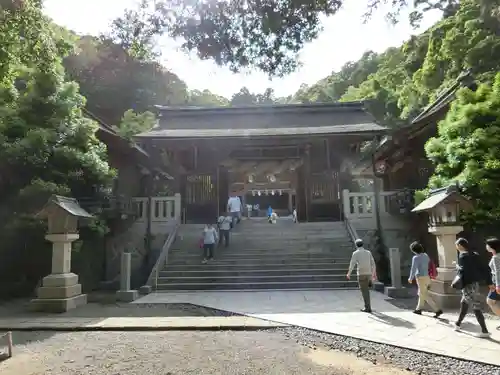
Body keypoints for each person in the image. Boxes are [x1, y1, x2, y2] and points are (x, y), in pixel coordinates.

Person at [452, 238, 490, 337]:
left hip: (467, 284)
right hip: (475, 283)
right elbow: (480, 268)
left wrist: (456, 266)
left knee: (475, 305)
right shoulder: (474, 254)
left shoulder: (463, 256)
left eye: (456, 245)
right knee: (464, 303)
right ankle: (458, 323)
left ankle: (484, 331)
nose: (456, 247)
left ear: (460, 245)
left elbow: (463, 271)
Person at [407, 241, 443, 317]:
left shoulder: (415, 258)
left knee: (424, 294)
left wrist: (410, 278)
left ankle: (437, 310)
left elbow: (413, 269)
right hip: (427, 277)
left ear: (414, 250)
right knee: (421, 293)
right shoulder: (426, 256)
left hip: (420, 278)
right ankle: (418, 309)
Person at [346, 239, 377, 313]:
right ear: (363, 244)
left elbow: (352, 264)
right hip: (369, 274)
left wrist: (349, 273)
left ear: (356, 245)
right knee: (367, 290)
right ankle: (368, 306)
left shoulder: (355, 253)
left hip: (361, 274)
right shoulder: (368, 252)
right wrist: (373, 274)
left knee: (364, 291)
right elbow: (373, 263)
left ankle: (367, 307)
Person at [485, 237, 500, 317]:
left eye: (487, 245)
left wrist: (498, 285)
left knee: (490, 301)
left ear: (492, 246)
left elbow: (498, 272)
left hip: (497, 283)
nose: (486, 246)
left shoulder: (495, 258)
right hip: (496, 282)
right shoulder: (497, 256)